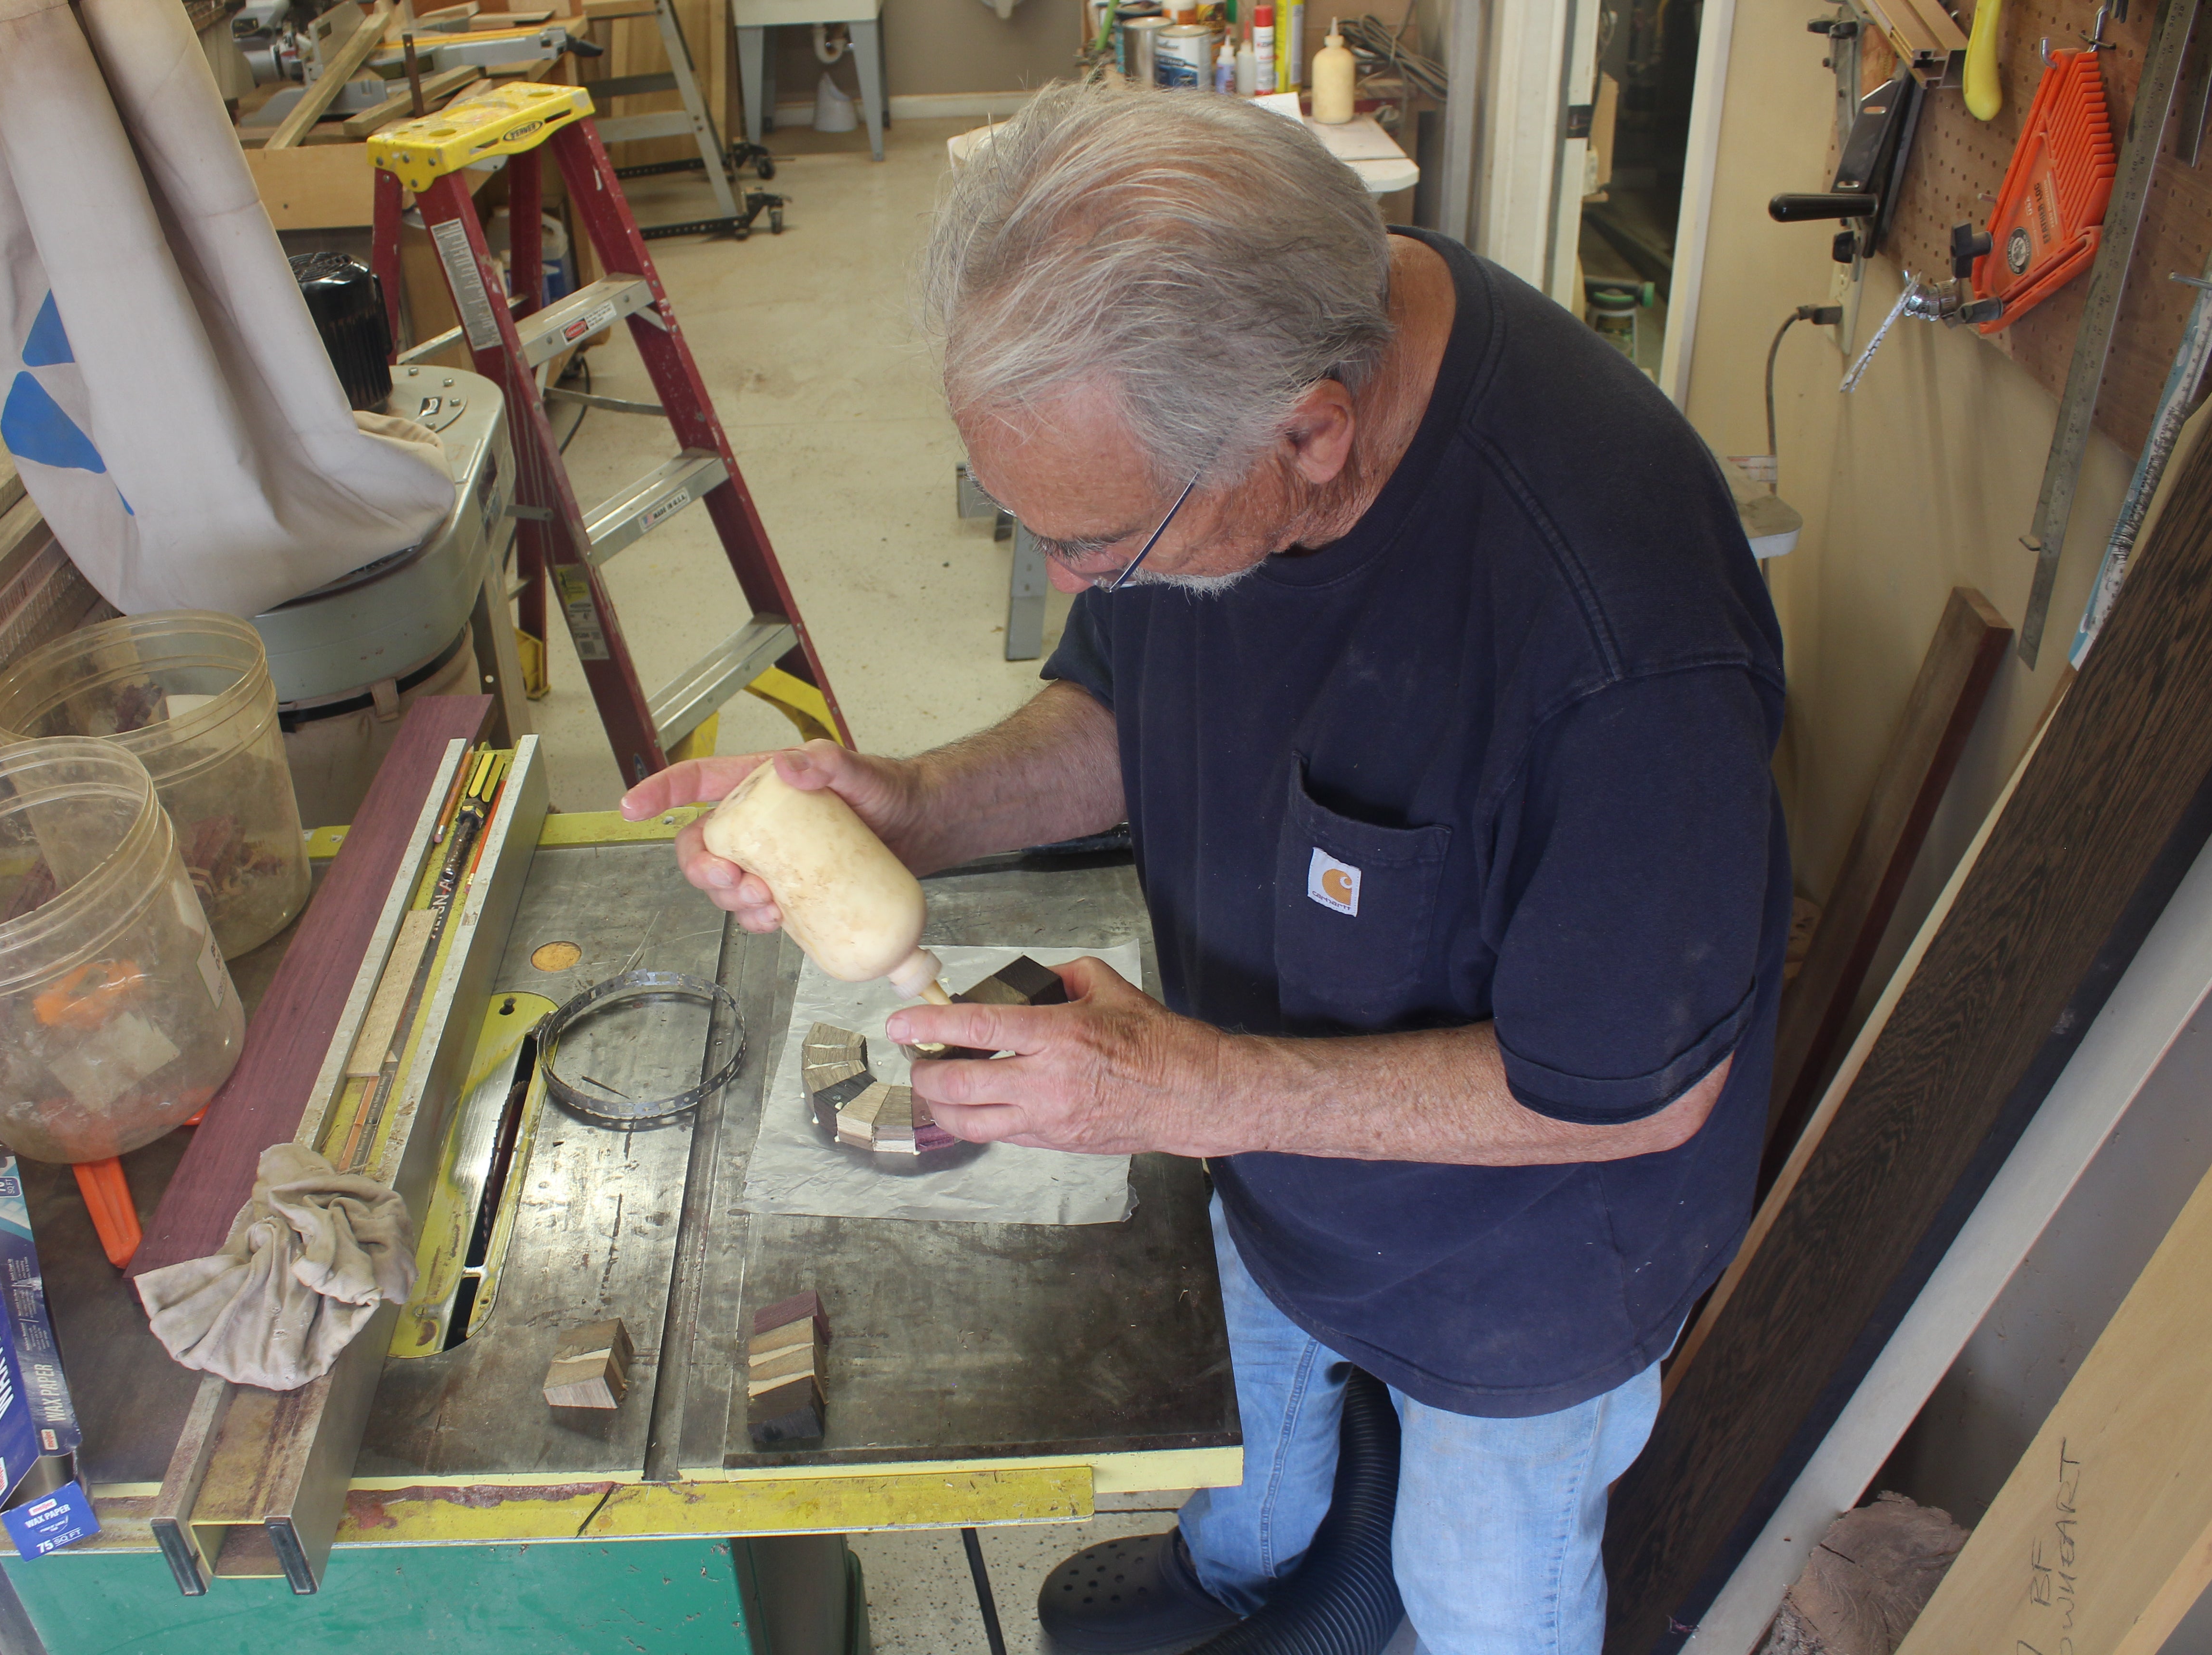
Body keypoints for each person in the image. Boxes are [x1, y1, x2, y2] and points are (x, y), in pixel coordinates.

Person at [621, 82, 1788, 1655]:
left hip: (1529, 1256)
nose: (1063, 576)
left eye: (1093, 543)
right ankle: (1248, 1578)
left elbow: (1632, 1095)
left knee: (1478, 1593)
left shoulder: (1619, 635)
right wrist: (912, 804)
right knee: (1250, 1435)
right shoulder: (1219, 387)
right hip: (1260, 1127)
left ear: (1311, 433)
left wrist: (1185, 1096)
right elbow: (1118, 708)